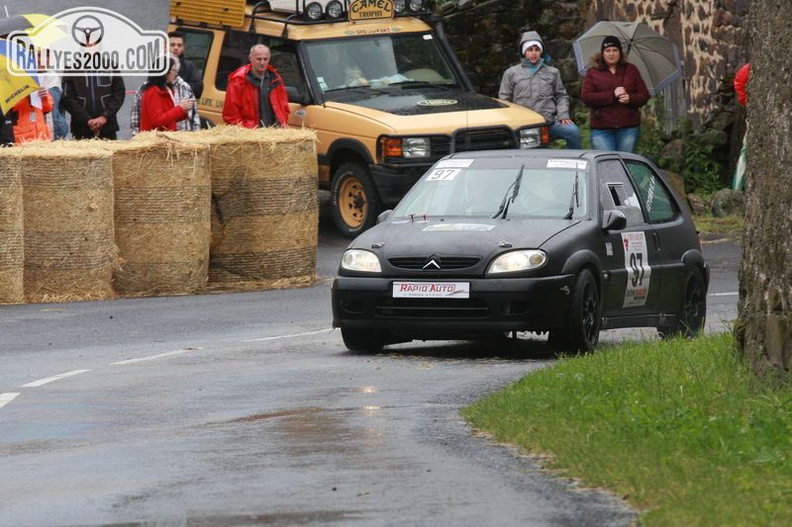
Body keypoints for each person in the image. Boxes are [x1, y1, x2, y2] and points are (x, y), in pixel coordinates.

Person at [499, 31, 582, 149]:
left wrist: (563, 114)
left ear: (541, 52)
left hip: (549, 120)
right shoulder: (511, 73)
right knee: (534, 151)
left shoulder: (553, 72)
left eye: (537, 49)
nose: (533, 53)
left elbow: (561, 95)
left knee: (573, 132)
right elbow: (504, 100)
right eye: (530, 50)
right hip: (524, 123)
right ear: (524, 52)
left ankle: (573, 162)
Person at [580, 35, 650, 153]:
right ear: (602, 53)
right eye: (608, 51)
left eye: (615, 50)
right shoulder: (593, 72)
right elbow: (586, 97)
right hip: (601, 129)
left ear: (620, 52)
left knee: (624, 164)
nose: (611, 54)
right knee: (607, 164)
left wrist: (630, 99)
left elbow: (644, 95)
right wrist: (612, 95)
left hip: (628, 128)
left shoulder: (631, 70)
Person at [222, 44, 290, 128]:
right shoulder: (239, 80)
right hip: (250, 133)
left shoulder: (276, 78)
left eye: (265, 59)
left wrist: (282, 124)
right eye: (259, 59)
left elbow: (284, 108)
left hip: (273, 133)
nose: (262, 63)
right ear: (251, 58)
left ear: (269, 59)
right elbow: (231, 113)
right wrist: (243, 132)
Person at [131, 55, 201, 134]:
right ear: (165, 72)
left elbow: (168, 117)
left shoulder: (165, 89)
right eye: (173, 70)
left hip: (164, 137)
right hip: (155, 140)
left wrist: (183, 111)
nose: (175, 74)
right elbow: (158, 121)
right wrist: (180, 109)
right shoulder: (152, 92)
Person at [61, 72, 126, 139]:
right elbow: (67, 98)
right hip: (81, 130)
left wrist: (105, 116)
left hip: (108, 128)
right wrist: (86, 120)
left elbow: (119, 93)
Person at [168, 30, 204, 99]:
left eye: (179, 45)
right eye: (172, 45)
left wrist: (175, 85)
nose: (176, 48)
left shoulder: (189, 66)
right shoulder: (159, 64)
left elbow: (198, 89)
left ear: (183, 48)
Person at [732, 63, 750, 190]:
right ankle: (737, 189)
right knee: (744, 154)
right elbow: (739, 82)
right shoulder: (749, 68)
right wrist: (746, 103)